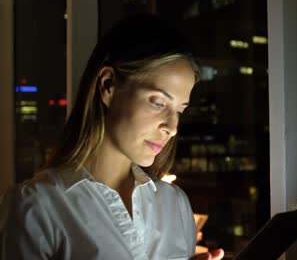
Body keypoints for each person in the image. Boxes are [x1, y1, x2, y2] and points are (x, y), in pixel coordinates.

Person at [0, 14, 224, 260]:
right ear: (108, 86)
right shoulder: (37, 206)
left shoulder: (175, 204)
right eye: (159, 102)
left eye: (180, 110)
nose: (172, 127)